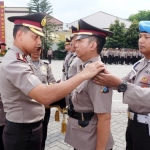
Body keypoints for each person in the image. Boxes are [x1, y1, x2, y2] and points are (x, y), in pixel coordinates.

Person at [0, 13, 103, 150]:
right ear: (20, 35)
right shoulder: (14, 63)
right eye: (35, 37)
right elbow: (44, 96)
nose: (39, 42)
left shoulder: (22, 59)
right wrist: (83, 75)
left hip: (29, 128)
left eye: (40, 38)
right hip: (22, 133)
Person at [93, 21, 150, 150]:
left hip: (147, 130)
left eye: (146, 37)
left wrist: (120, 85)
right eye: (140, 36)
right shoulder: (140, 63)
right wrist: (106, 76)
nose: (141, 40)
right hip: (133, 125)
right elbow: (124, 81)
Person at [65, 19, 114, 150]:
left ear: (92, 46)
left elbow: (104, 118)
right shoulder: (83, 68)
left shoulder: (98, 75)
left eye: (80, 41)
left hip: (92, 142)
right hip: (82, 138)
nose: (75, 44)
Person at [27, 48, 56, 150]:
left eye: (39, 49)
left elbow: (52, 81)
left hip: (44, 105)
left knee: (43, 131)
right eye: (34, 49)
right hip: (29, 104)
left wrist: (52, 87)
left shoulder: (45, 65)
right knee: (30, 133)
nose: (36, 51)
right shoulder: (24, 64)